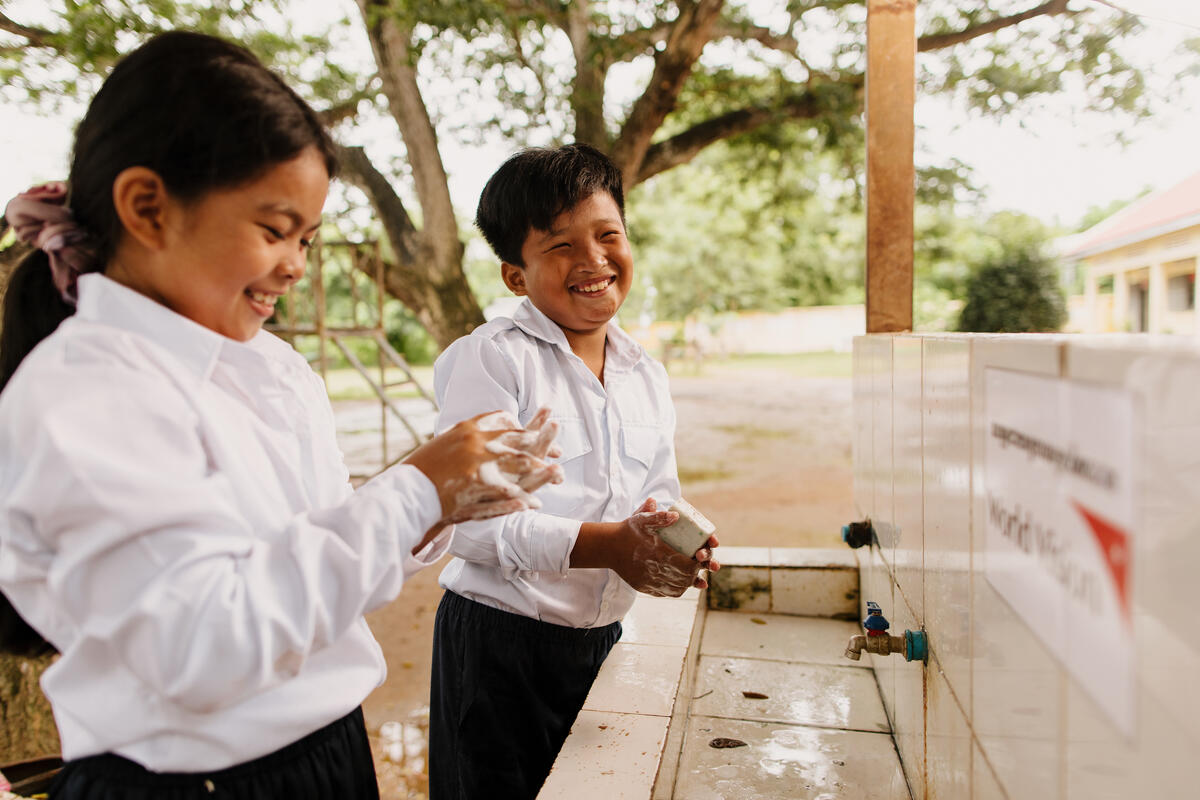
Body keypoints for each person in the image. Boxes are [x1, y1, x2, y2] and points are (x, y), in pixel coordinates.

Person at [0, 31, 563, 800]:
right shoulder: (86, 390)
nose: (296, 265)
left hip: (326, 752)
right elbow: (203, 645)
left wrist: (445, 500)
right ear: (147, 207)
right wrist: (415, 492)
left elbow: (314, 567)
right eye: (273, 230)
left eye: (307, 237)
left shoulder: (275, 369)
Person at [428, 143, 721, 799]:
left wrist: (676, 545)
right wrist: (608, 547)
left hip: (601, 644)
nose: (593, 260)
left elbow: (655, 501)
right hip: (498, 648)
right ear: (515, 275)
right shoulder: (495, 361)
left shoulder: (647, 375)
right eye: (560, 246)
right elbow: (464, 525)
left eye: (607, 234)